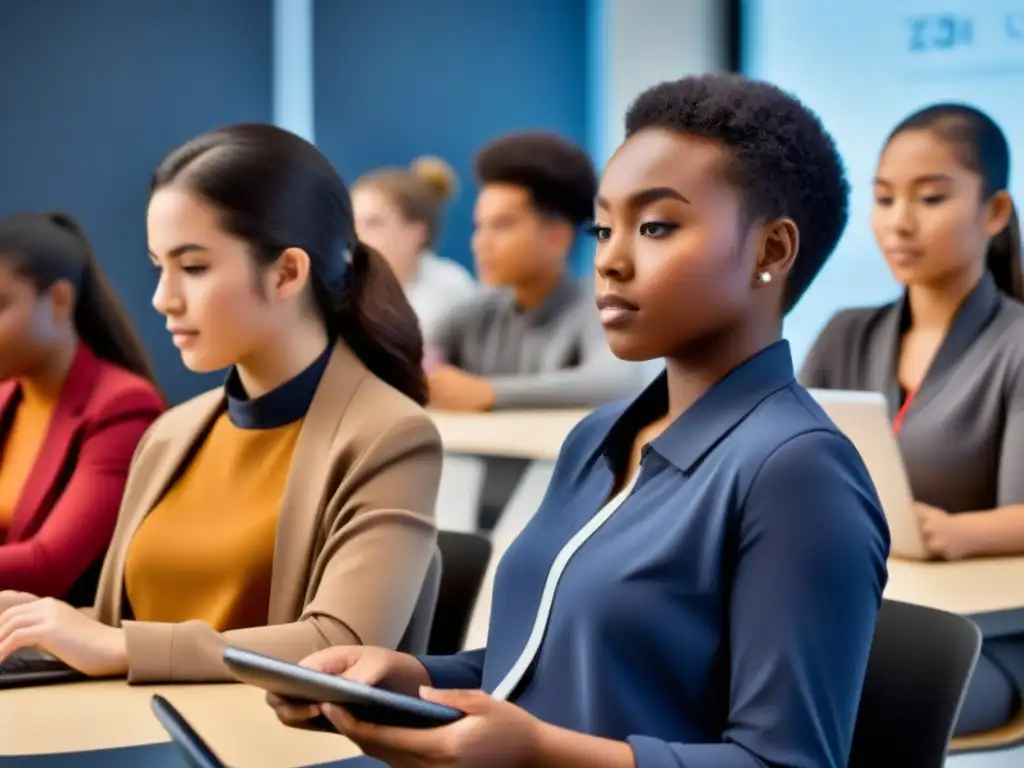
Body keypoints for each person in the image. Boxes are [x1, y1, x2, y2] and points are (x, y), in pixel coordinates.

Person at [269, 74, 890, 768]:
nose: (611, 259)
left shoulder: (797, 470)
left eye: (655, 226)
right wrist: (413, 679)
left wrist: (536, 754)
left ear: (771, 251)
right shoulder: (599, 438)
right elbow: (542, 667)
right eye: (604, 227)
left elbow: (788, 763)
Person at [0, 124, 442, 683]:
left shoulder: (390, 433)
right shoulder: (169, 434)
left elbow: (340, 645)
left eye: (193, 267)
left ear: (286, 273)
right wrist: (29, 624)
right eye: (160, 266)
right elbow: (119, 626)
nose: (162, 298)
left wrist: (124, 648)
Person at [800, 103, 1024, 736]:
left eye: (929, 198)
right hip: (842, 615)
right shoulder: (845, 333)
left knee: (824, 706)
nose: (899, 223)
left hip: (977, 637)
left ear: (996, 213)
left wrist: (955, 533)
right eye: (883, 198)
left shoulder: (1017, 345)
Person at [0, 212, 164, 605]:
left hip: (70, 650)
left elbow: (49, 567)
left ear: (58, 300)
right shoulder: (8, 395)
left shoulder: (122, 406)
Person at [425, 131, 647, 412]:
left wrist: (488, 393)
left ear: (558, 237)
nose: (481, 243)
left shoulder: (597, 305)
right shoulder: (471, 315)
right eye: (479, 226)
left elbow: (616, 381)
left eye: (502, 225)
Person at [353, 157, 478, 338]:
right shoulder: (346, 287)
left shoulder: (448, 290)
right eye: (352, 222)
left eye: (373, 223)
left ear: (415, 234)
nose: (357, 235)